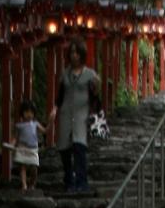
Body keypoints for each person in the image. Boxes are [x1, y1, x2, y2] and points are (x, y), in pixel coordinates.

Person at [52, 39, 102, 193]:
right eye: (72, 52)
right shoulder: (65, 75)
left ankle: (82, 181)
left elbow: (95, 95)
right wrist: (54, 109)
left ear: (82, 55)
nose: (74, 56)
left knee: (79, 147)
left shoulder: (89, 74)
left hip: (82, 114)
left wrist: (97, 87)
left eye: (77, 53)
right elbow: (60, 95)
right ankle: (69, 180)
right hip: (66, 113)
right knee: (64, 149)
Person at [8, 97, 42, 192]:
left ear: (34, 113)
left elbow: (45, 130)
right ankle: (24, 185)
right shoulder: (19, 126)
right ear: (22, 113)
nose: (29, 114)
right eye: (26, 112)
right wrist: (12, 144)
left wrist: (51, 121)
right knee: (23, 167)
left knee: (34, 168)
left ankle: (32, 183)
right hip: (22, 148)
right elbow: (15, 137)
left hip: (33, 149)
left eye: (31, 112)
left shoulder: (36, 124)